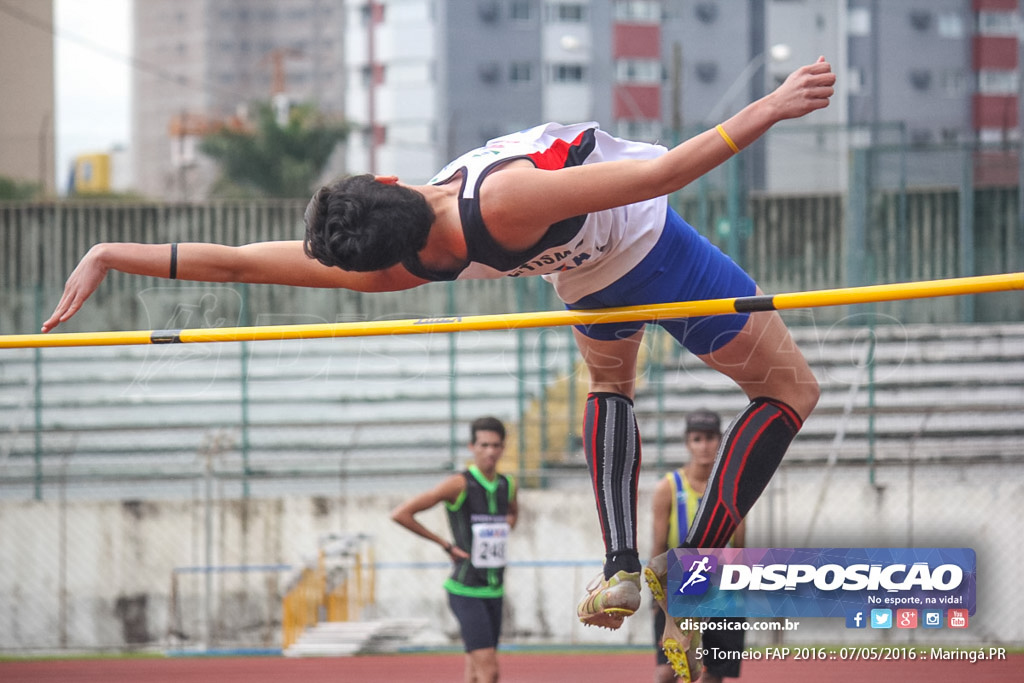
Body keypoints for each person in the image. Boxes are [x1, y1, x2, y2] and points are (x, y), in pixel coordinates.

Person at [42, 57, 832, 674]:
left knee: (610, 384)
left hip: (586, 282)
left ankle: (622, 562)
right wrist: (773, 104)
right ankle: (698, 559)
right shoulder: (500, 199)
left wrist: (115, 251)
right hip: (650, 246)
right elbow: (661, 174)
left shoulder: (394, 268)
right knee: (789, 391)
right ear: (388, 180)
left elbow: (242, 264)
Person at [390, 416, 517, 683]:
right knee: (490, 672)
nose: (490, 451)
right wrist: (445, 545)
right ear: (472, 447)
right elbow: (402, 514)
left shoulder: (508, 484)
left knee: (474, 670)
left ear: (503, 447)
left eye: (496, 445)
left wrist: (501, 530)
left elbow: (513, 513)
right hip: (466, 589)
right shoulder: (459, 484)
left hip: (495, 589)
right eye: (484, 445)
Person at [650, 409, 747, 683]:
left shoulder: (732, 488)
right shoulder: (668, 488)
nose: (704, 446)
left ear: (720, 441)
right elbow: (658, 544)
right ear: (687, 442)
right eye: (697, 438)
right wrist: (656, 595)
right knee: (667, 671)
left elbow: (739, 545)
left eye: (711, 438)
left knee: (712, 674)